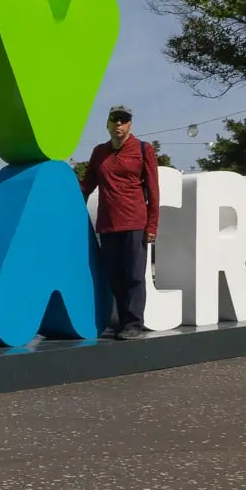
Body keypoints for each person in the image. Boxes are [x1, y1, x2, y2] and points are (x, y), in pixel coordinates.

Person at [80, 105, 160, 340]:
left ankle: (134, 323)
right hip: (107, 224)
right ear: (107, 124)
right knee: (114, 276)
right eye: (114, 120)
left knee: (134, 276)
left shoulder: (144, 150)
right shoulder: (99, 153)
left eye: (124, 120)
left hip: (135, 223)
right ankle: (121, 321)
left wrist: (152, 225)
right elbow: (86, 186)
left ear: (130, 125)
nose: (119, 124)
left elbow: (154, 191)